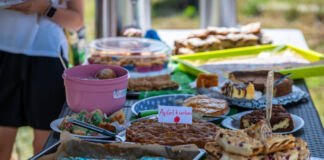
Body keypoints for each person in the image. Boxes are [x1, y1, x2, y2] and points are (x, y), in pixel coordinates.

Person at [0, 0, 84, 159]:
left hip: (48, 55)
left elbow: (77, 20)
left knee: (44, 148)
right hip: (4, 52)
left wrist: (44, 8)